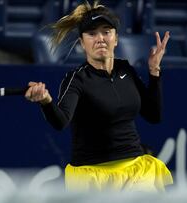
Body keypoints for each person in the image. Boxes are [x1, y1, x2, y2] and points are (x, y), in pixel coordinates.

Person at [25, 0, 173, 192]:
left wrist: (154, 71)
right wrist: (46, 101)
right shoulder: (77, 79)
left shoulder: (125, 70)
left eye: (106, 32)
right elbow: (60, 121)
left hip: (136, 170)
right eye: (92, 34)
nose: (100, 38)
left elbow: (154, 115)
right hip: (92, 176)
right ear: (82, 43)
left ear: (116, 38)